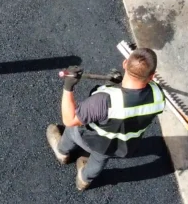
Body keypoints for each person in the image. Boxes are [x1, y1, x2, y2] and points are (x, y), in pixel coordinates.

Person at [45, 48, 166, 191]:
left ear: (125, 63)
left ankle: (62, 152)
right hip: (122, 145)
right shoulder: (158, 96)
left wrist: (68, 86)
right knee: (100, 158)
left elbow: (69, 120)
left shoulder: (105, 100)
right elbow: (135, 96)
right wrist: (120, 83)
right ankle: (84, 180)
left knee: (72, 130)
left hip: (92, 139)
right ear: (152, 76)